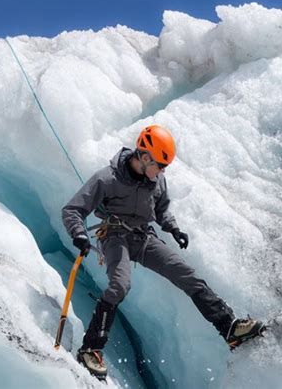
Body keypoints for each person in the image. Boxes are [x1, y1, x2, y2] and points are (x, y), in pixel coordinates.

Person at [62, 125, 265, 380]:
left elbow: (161, 209)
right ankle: (90, 349)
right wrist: (78, 234)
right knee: (120, 285)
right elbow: (72, 210)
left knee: (187, 275)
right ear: (144, 156)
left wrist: (173, 228)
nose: (161, 171)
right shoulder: (107, 178)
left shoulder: (156, 180)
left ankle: (229, 328)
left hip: (143, 237)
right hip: (114, 237)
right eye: (159, 164)